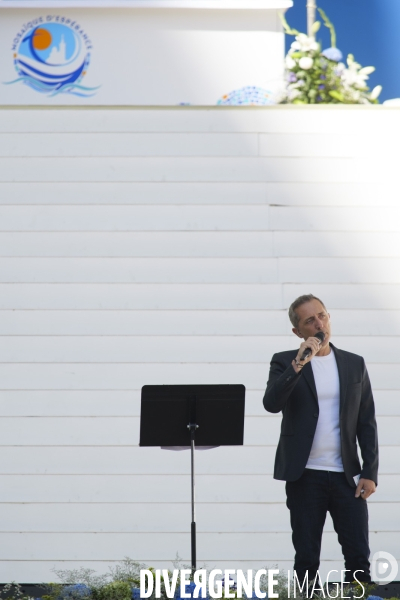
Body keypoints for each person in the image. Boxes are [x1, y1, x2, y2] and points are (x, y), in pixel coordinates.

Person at [263, 294, 378, 587]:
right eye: (309, 320)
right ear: (298, 331)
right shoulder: (283, 362)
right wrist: (298, 365)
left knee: (358, 557)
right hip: (305, 475)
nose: (319, 324)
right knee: (306, 558)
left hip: (347, 477)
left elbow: (367, 422)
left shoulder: (354, 363)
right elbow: (272, 403)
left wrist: (370, 472)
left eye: (322, 316)